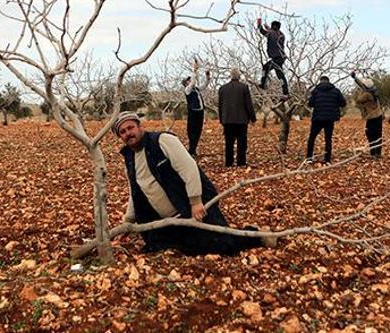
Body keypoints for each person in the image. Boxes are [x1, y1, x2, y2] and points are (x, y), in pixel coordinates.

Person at [113, 111, 275, 255]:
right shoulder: (130, 157)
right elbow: (135, 191)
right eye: (123, 132)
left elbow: (189, 168)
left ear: (139, 126)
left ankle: (259, 235)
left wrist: (195, 201)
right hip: (169, 221)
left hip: (193, 206)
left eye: (130, 128)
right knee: (169, 248)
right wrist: (128, 221)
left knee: (221, 244)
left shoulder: (162, 140)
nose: (128, 133)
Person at [217, 68, 256, 167]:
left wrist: (221, 119)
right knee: (242, 142)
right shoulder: (244, 87)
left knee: (229, 143)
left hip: (227, 120)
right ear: (239, 76)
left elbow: (220, 105)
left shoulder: (222, 89)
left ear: (231, 76)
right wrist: (252, 118)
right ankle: (241, 162)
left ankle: (229, 162)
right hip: (241, 120)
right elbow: (248, 104)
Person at [306, 75, 347, 164]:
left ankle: (309, 158)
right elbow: (343, 103)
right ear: (328, 81)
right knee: (328, 139)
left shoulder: (315, 91)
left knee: (312, 138)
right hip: (330, 119)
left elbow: (310, 104)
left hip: (317, 118)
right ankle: (327, 159)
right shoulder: (336, 91)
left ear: (320, 81)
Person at [351, 71, 383, 159]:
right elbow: (362, 85)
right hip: (379, 116)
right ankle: (378, 153)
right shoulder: (373, 90)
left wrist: (358, 92)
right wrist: (355, 78)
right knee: (378, 135)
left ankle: (373, 153)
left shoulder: (366, 95)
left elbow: (358, 100)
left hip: (371, 117)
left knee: (370, 134)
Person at [182, 61, 211, 157]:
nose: (190, 81)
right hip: (193, 113)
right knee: (192, 132)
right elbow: (193, 82)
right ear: (186, 83)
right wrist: (194, 70)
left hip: (200, 113)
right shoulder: (187, 90)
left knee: (198, 131)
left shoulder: (197, 89)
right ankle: (191, 150)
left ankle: (193, 150)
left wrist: (207, 77)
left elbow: (205, 85)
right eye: (188, 80)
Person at [257, 18, 289, 96]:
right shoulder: (281, 35)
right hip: (281, 58)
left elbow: (262, 31)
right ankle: (285, 91)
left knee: (265, 68)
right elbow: (273, 33)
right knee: (280, 75)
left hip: (276, 58)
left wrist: (259, 25)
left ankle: (263, 84)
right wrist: (269, 28)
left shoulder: (271, 33)